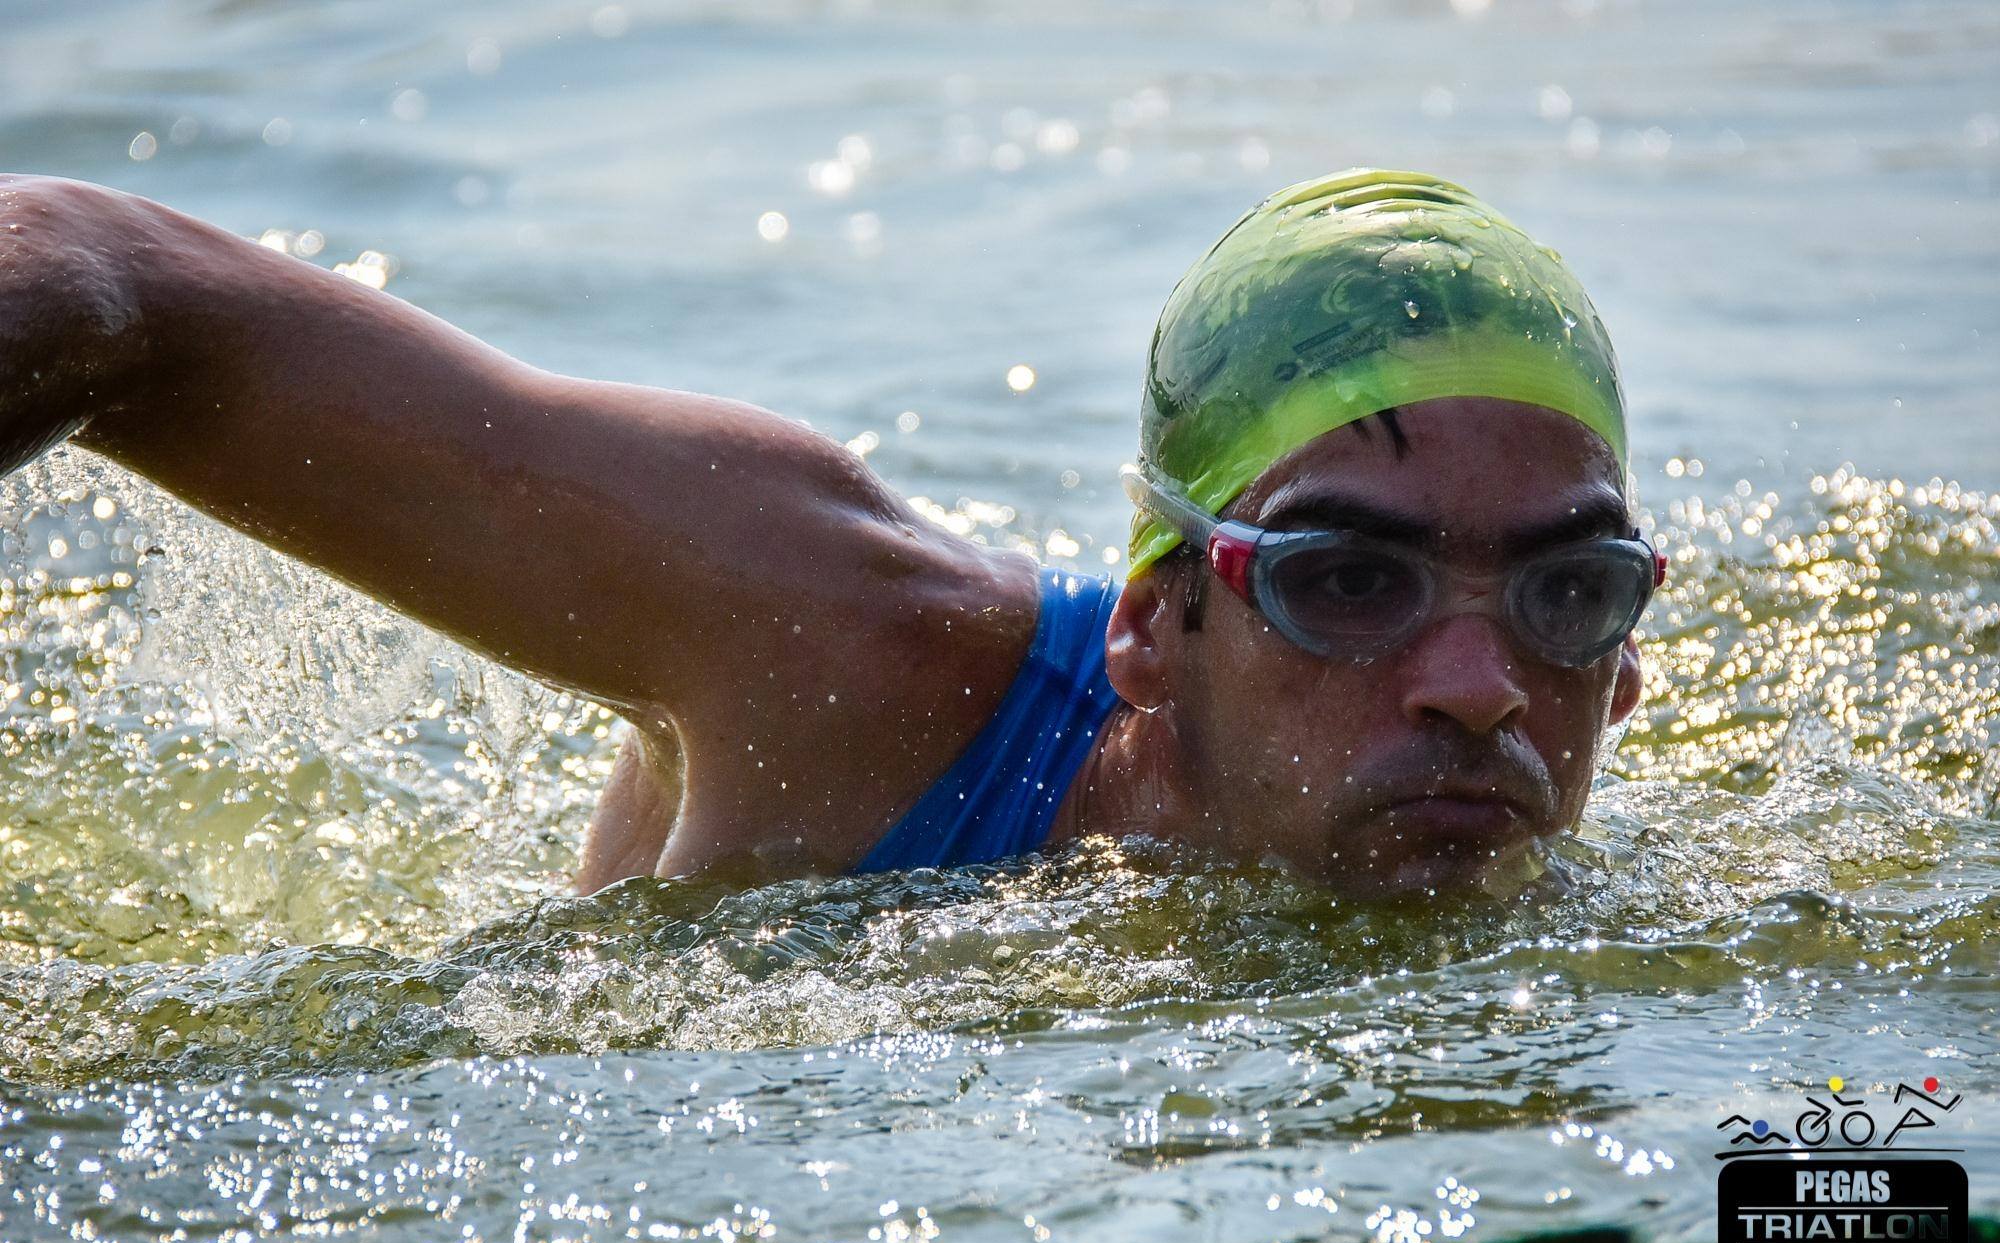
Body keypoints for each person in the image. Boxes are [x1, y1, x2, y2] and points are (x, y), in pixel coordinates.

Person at [0, 167, 1658, 898]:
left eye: (1565, 590)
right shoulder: (838, 645)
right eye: (1347, 580)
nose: (1481, 684)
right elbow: (115, 282)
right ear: (1158, 623)